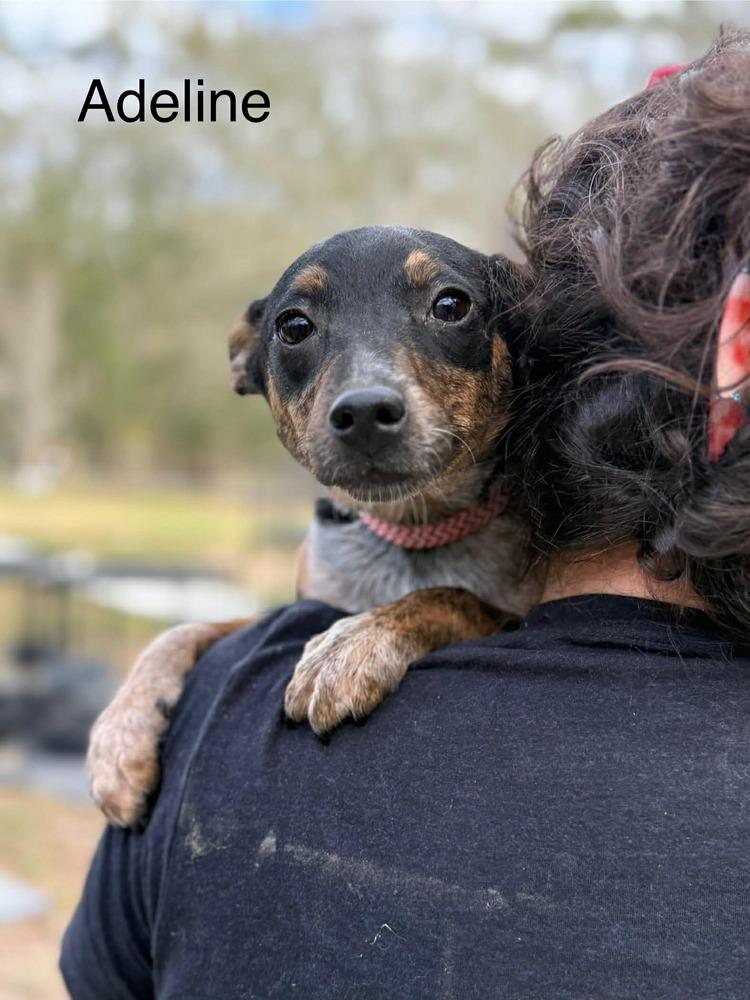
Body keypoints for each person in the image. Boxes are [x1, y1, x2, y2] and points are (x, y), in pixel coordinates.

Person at [61, 34, 750, 1000]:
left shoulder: (546, 544)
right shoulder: (327, 561)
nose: (365, 394)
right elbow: (273, 631)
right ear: (254, 373)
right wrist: (165, 664)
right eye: (298, 333)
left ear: (522, 351)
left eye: (448, 308)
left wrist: (426, 620)